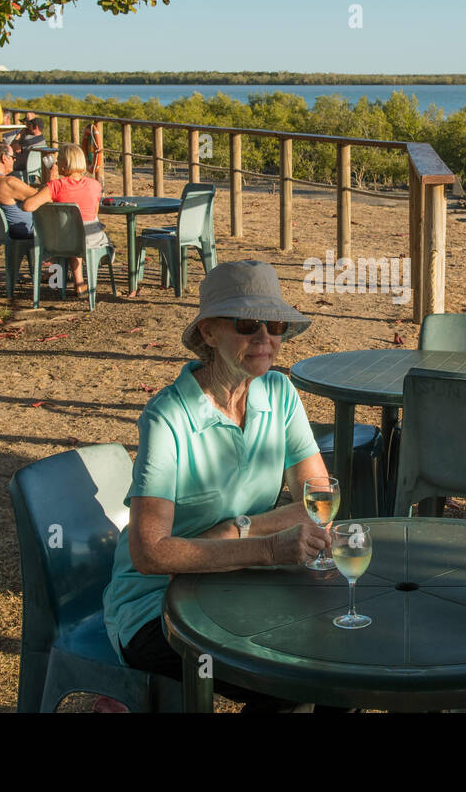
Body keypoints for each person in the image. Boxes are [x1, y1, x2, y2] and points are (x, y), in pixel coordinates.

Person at [102, 260, 330, 712]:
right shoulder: (167, 417)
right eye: (248, 324)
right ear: (209, 332)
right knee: (303, 679)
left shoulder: (280, 394)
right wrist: (265, 546)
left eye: (276, 324)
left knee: (339, 666)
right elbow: (149, 554)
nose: (265, 338)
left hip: (239, 587)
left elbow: (319, 502)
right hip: (157, 608)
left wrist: (233, 531)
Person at [21, 143, 108, 296]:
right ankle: (78, 282)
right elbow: (94, 213)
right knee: (78, 232)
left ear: (64, 164)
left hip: (62, 240)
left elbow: (27, 206)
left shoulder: (55, 186)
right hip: (91, 238)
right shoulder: (95, 185)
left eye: (58, 159)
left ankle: (59, 281)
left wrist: (50, 182)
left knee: (70, 233)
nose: (56, 162)